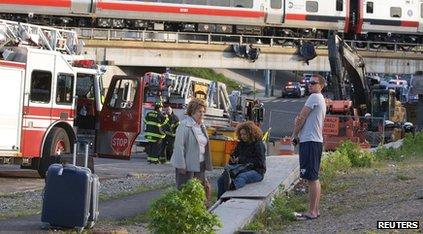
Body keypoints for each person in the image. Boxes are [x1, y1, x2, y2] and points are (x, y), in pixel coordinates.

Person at [291, 74, 326, 220]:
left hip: (310, 141)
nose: (310, 85)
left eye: (313, 83)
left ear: (321, 86)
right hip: (315, 141)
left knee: (311, 178)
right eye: (309, 83)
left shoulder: (314, 97)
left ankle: (312, 212)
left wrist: (294, 134)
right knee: (314, 178)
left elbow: (301, 117)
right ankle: (315, 210)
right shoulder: (321, 99)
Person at [170, 98, 213, 203]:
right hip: (187, 165)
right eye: (199, 112)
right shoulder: (184, 125)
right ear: (192, 112)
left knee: (199, 192)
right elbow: (179, 147)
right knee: (185, 192)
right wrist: (181, 165)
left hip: (200, 164)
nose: (202, 114)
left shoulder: (202, 126)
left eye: (203, 112)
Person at [217, 121, 266, 199]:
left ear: (251, 133)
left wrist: (241, 159)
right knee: (221, 179)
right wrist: (232, 159)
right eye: (241, 134)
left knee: (242, 176)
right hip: (242, 168)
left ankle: (231, 186)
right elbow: (234, 155)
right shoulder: (241, 144)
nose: (242, 136)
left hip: (257, 171)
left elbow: (260, 162)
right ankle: (220, 199)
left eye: (244, 134)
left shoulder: (258, 144)